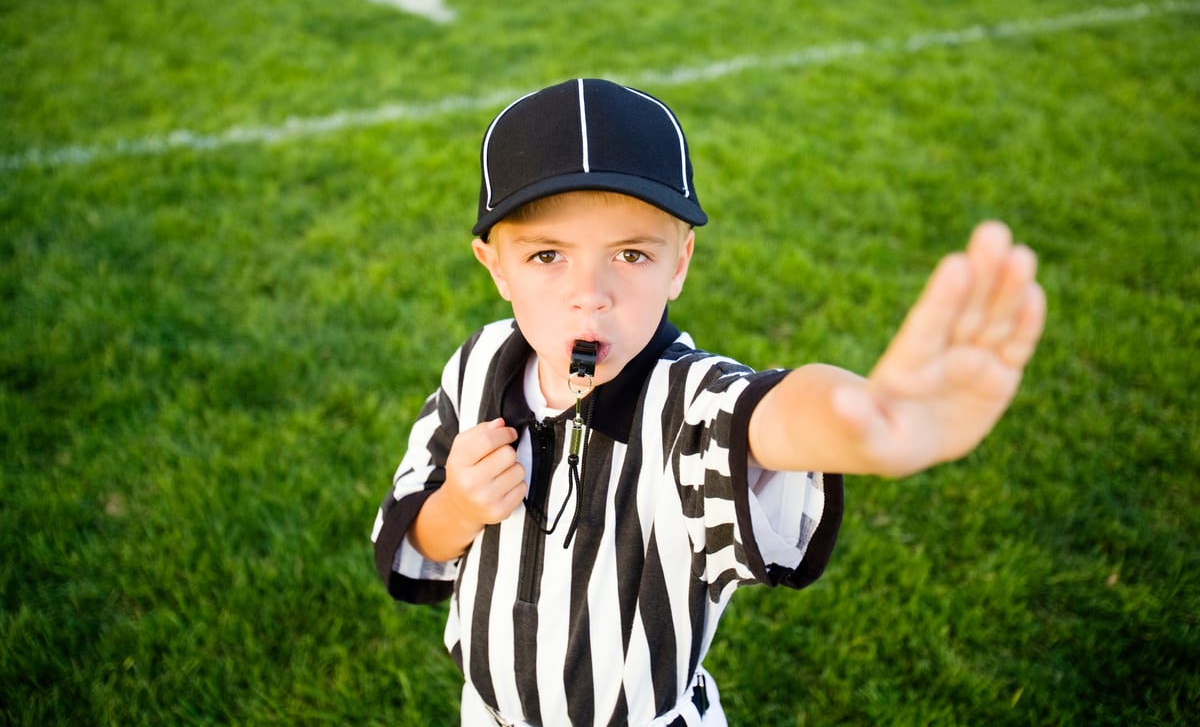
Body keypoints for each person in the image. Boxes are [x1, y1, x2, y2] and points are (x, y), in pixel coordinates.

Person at [372, 78, 1046, 727]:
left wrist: (863, 422)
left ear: (680, 263)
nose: (591, 293)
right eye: (547, 256)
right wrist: (458, 507)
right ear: (495, 265)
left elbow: (768, 414)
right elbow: (415, 542)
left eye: (631, 255)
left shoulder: (686, 404)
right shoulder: (478, 366)